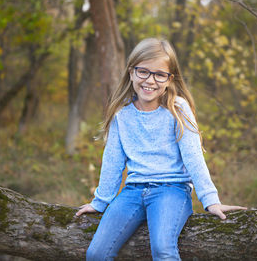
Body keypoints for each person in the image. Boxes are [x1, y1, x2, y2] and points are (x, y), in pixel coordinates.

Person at [76, 37, 247, 260]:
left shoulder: (178, 109)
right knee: (96, 253)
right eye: (143, 71)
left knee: (163, 248)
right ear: (131, 72)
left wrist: (211, 200)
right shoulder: (121, 113)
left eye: (159, 74)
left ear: (169, 79)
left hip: (172, 190)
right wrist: (99, 202)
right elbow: (113, 161)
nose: (150, 80)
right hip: (133, 192)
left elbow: (193, 158)